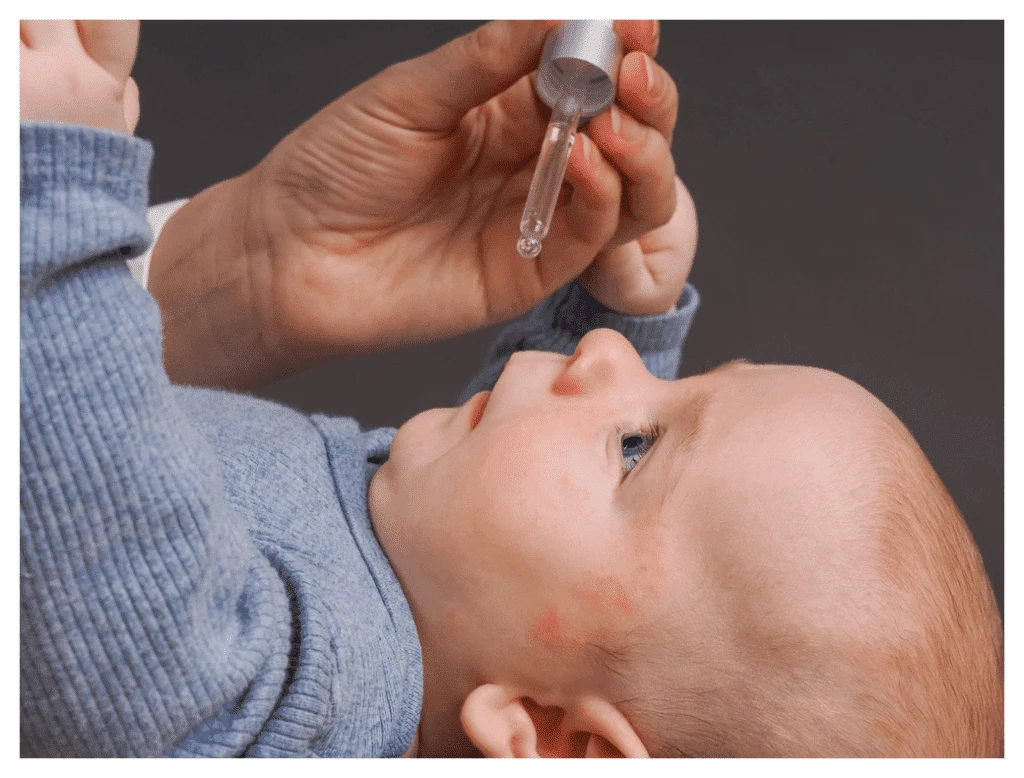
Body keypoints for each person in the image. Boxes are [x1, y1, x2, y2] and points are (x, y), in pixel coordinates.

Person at [19, 20, 1002, 759]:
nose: (616, 368)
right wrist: (612, 311)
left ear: (550, 735)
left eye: (636, 446)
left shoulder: (306, 699)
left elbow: (112, 571)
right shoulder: (422, 603)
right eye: (680, 378)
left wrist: (54, 196)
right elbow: (494, 539)